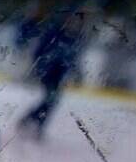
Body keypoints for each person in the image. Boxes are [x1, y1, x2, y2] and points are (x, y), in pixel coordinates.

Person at [17, 10, 87, 140]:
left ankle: (32, 121)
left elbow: (74, 58)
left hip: (60, 74)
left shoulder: (77, 38)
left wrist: (77, 73)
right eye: (72, 20)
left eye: (78, 21)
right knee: (51, 99)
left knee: (52, 100)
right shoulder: (54, 33)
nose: (74, 23)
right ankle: (34, 122)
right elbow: (39, 51)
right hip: (48, 72)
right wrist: (38, 68)